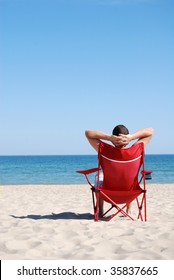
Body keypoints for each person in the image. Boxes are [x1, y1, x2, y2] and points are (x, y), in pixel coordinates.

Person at [85, 125, 154, 216]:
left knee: (99, 176)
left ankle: (101, 211)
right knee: (129, 178)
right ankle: (128, 211)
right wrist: (131, 137)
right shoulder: (137, 149)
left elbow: (88, 133)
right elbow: (150, 131)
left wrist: (109, 138)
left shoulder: (104, 150)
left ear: (113, 139)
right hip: (130, 194)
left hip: (106, 193)